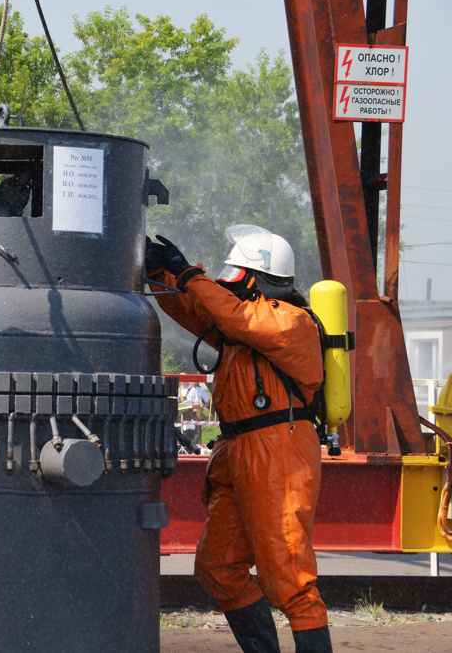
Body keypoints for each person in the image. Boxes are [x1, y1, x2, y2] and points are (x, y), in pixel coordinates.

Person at [145, 224, 331, 653]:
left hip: (278, 450)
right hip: (239, 450)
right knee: (219, 567)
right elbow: (198, 312)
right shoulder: (245, 327)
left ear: (257, 278)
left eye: (235, 273)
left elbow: (234, 315)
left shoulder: (291, 322)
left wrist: (189, 272)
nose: (229, 282)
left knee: (289, 578)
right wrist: (165, 276)